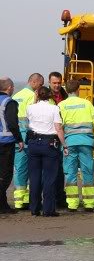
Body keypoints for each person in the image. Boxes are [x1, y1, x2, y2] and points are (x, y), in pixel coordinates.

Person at [59, 79, 94, 212]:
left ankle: (72, 204)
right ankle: (89, 203)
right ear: (78, 89)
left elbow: (58, 126)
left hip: (69, 143)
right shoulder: (86, 104)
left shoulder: (61, 105)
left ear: (66, 90)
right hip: (86, 143)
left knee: (71, 173)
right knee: (87, 172)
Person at [26, 87, 67, 217]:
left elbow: (29, 122)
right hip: (49, 143)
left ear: (37, 95)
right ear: (50, 96)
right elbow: (58, 128)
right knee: (50, 177)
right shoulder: (54, 108)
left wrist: (35, 98)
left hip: (33, 143)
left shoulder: (30, 108)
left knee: (34, 177)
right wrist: (64, 145)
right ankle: (48, 209)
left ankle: (34, 208)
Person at [11, 72, 44, 209]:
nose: (40, 88)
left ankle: (19, 201)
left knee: (19, 169)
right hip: (29, 138)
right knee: (35, 170)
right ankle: (31, 200)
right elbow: (35, 116)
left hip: (16, 138)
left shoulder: (15, 96)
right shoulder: (32, 96)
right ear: (34, 82)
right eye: (40, 85)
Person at [0, 77, 24, 213]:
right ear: (9, 88)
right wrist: (19, 139)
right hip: (5, 143)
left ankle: (3, 206)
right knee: (6, 175)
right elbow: (12, 124)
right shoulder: (9, 102)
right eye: (13, 87)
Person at [48, 71, 68, 208]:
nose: (57, 85)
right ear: (49, 83)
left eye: (59, 83)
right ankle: (53, 198)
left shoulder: (64, 95)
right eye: (54, 83)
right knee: (51, 170)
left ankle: (60, 197)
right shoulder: (45, 96)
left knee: (60, 170)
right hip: (51, 135)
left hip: (62, 134)